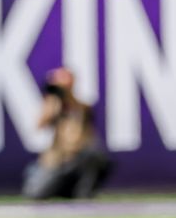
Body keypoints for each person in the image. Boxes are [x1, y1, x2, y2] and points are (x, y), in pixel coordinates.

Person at [22, 67, 112, 200]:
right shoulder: (52, 104)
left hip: (76, 159)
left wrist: (67, 98)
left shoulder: (81, 107)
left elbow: (85, 131)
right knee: (36, 193)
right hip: (57, 161)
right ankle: (64, 189)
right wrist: (54, 102)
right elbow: (40, 125)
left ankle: (83, 192)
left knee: (94, 155)